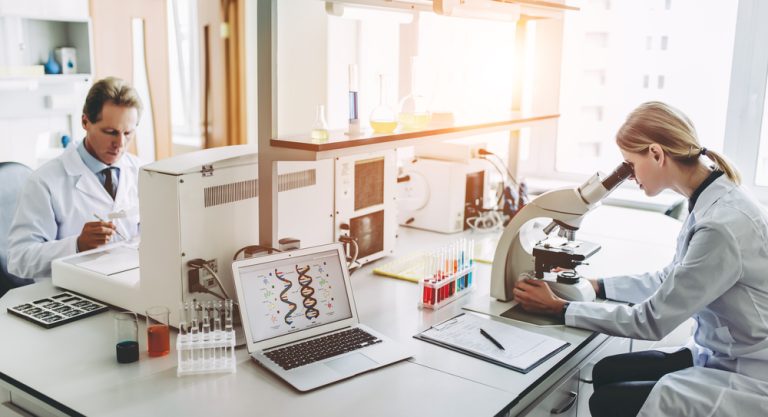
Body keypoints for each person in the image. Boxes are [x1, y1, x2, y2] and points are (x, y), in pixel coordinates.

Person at [513, 102, 768, 417]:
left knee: (607, 402)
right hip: (724, 352)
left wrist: (560, 309)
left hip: (750, 375)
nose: (629, 176)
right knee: (606, 371)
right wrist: (597, 286)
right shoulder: (710, 197)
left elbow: (652, 321)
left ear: (657, 154)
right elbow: (668, 280)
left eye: (629, 164)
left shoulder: (721, 225)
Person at [8, 77, 143, 279]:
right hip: (71, 292)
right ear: (85, 122)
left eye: (128, 133)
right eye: (110, 132)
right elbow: (18, 260)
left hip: (128, 284)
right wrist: (77, 245)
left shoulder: (142, 171)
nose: (120, 143)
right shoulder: (44, 182)